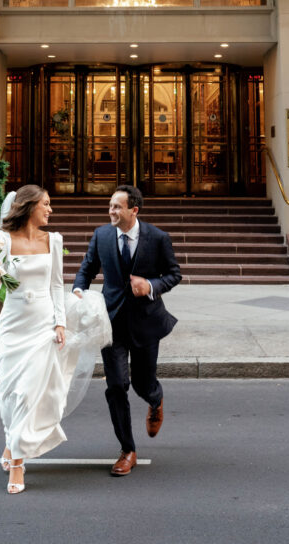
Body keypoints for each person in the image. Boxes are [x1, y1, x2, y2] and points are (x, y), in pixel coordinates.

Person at [0, 183, 110, 495]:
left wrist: (60, 322)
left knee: (32, 393)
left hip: (43, 324)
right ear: (29, 207)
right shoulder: (0, 240)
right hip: (14, 325)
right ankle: (12, 441)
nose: (51, 210)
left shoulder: (54, 240)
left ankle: (17, 463)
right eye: (46, 204)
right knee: (13, 392)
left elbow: (57, 285)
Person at [73, 184, 182, 477]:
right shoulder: (102, 235)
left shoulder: (158, 238)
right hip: (111, 324)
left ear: (134, 210)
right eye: (110, 206)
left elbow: (174, 274)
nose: (111, 211)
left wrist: (150, 286)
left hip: (146, 321)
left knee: (142, 384)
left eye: (117, 207)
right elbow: (87, 268)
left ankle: (156, 401)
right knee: (116, 385)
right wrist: (77, 291)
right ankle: (127, 450)